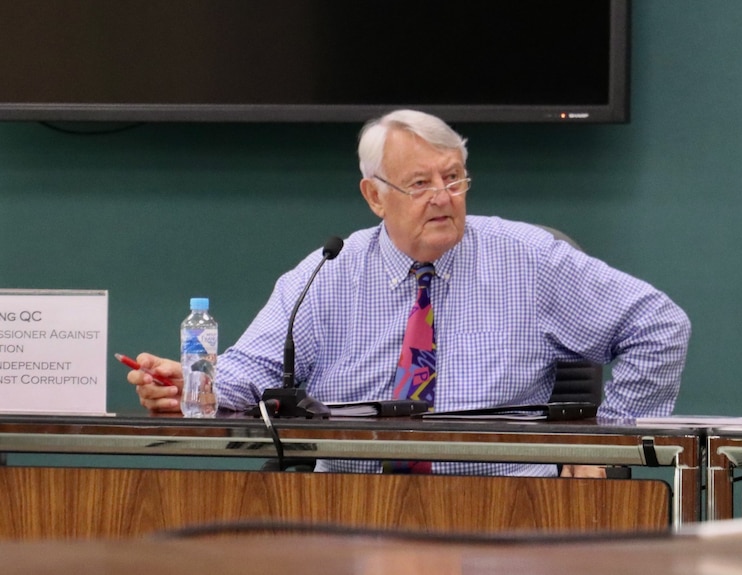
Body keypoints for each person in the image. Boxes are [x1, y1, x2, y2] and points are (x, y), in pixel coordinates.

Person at [128, 109, 691, 478]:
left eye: (454, 178)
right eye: (420, 184)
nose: (443, 197)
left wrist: (605, 450)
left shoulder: (529, 259)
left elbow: (659, 326)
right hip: (347, 513)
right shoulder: (331, 270)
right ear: (375, 196)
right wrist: (192, 384)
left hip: (505, 515)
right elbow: (252, 369)